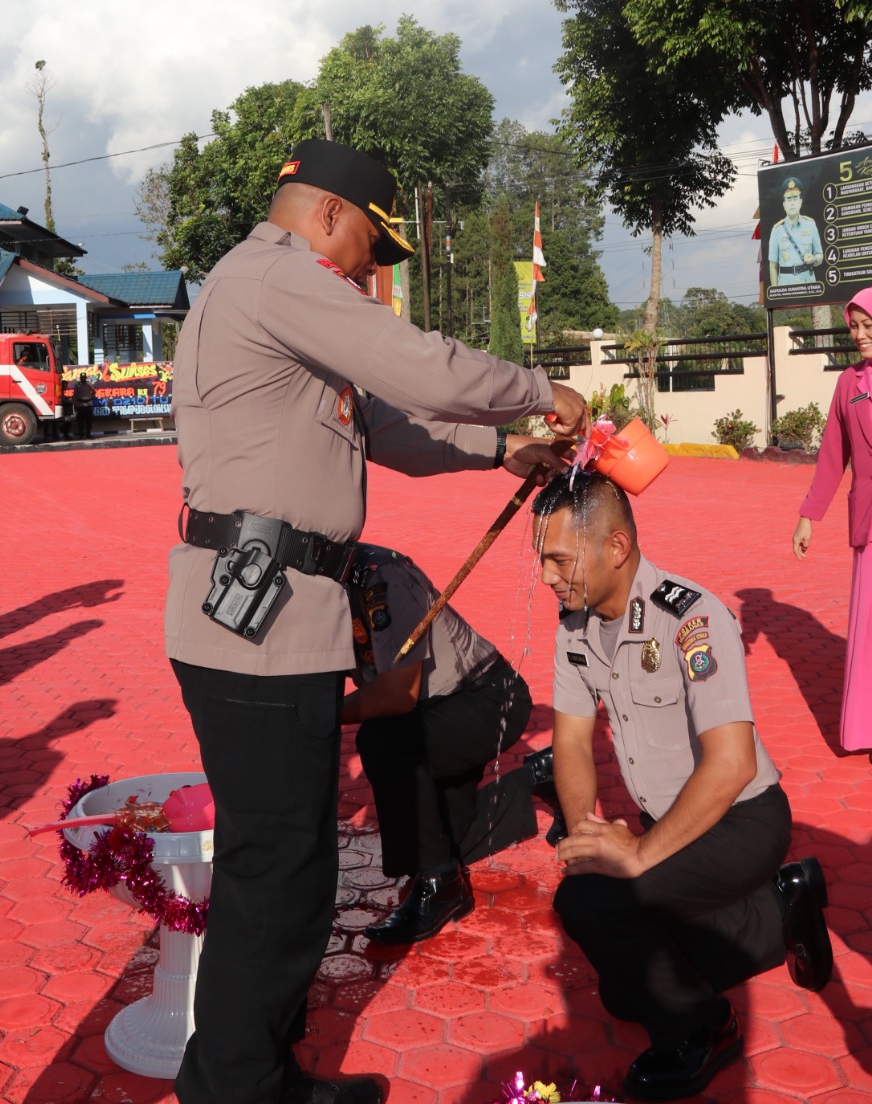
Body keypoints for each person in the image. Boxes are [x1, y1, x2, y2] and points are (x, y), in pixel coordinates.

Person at [166, 138, 589, 1104]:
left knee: (292, 866)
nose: (369, 275)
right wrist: (537, 389)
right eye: (368, 248)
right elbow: (418, 367)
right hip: (258, 621)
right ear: (324, 214)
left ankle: (257, 1076)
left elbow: (390, 429)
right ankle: (234, 1089)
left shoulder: (271, 296)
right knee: (277, 873)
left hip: (273, 615)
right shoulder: (278, 278)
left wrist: (501, 450)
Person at [533, 469, 831, 1103]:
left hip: (742, 819)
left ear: (615, 548)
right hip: (672, 824)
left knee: (591, 909)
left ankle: (705, 1028)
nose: (548, 577)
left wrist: (635, 855)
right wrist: (586, 832)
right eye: (543, 560)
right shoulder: (574, 629)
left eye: (561, 559)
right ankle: (783, 907)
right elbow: (573, 740)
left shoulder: (691, 617)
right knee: (622, 982)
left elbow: (731, 766)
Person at [343, 541, 560, 945]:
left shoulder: (380, 575)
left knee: (382, 742)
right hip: (431, 714)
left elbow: (395, 696)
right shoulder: (310, 580)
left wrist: (315, 715)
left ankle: (441, 887)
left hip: (486, 699)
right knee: (449, 838)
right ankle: (542, 774)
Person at [792, 286, 872, 749]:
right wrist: (808, 516)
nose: (859, 335)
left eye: (868, 326)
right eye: (854, 327)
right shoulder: (849, 384)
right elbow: (831, 456)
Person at [768, 176, 823, 287]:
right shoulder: (776, 230)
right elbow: (773, 266)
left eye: (795, 198)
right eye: (789, 199)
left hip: (808, 283)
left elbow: (820, 255)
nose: (792, 203)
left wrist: (814, 259)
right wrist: (776, 293)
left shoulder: (811, 225)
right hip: (786, 286)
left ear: (800, 201)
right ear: (784, 204)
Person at [73, 371, 95, 439]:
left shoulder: (89, 384)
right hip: (80, 404)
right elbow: (75, 395)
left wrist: (91, 397)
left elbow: (94, 391)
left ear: (86, 377)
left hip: (88, 404)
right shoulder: (77, 385)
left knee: (89, 421)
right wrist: (75, 403)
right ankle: (80, 434)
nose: (83, 379)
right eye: (82, 377)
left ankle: (88, 434)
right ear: (80, 378)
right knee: (80, 421)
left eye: (84, 377)